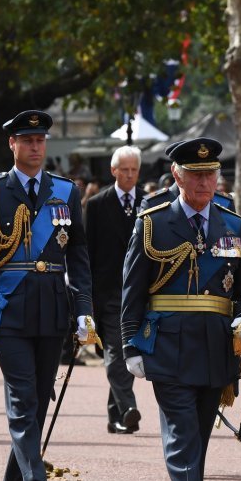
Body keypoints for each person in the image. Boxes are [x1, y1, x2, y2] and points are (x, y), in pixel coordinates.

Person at [121, 137, 241, 481]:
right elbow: (132, 288)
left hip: (216, 344)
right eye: (195, 175)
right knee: (181, 431)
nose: (204, 183)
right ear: (177, 176)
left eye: (210, 175)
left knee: (198, 432)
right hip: (168, 342)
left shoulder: (233, 224)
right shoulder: (153, 222)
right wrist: (129, 343)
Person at [0, 110, 94, 481]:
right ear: (12, 145)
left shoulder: (65, 191)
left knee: (39, 401)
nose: (36, 147)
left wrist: (83, 312)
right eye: (27, 140)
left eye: (40, 140)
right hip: (9, 311)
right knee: (23, 400)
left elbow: (78, 256)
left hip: (52, 312)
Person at [84, 145, 145, 434]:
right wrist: (87, 300)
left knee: (128, 351)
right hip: (108, 293)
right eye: (125, 170)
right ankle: (128, 406)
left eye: (134, 170)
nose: (130, 175)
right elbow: (87, 253)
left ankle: (116, 415)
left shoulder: (150, 202)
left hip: (142, 293)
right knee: (116, 351)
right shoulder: (96, 205)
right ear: (113, 171)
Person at [139, 142, 235, 213]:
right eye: (196, 174)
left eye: (210, 173)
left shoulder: (225, 203)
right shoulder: (153, 205)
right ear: (176, 174)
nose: (204, 183)